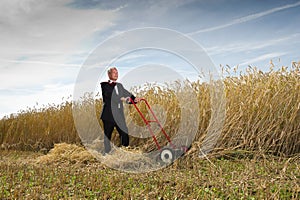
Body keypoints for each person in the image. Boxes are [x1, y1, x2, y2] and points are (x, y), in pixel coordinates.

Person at [100, 67, 140, 154]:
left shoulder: (119, 85)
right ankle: (107, 154)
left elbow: (127, 94)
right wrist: (121, 99)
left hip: (119, 115)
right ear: (109, 74)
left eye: (117, 72)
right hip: (108, 115)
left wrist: (134, 99)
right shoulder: (104, 85)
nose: (116, 74)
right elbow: (109, 96)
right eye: (114, 73)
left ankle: (125, 152)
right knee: (108, 135)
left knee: (124, 132)